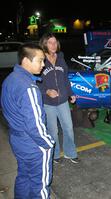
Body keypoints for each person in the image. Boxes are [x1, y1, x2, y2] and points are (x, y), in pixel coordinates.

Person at [1, 43, 55, 198]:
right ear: (26, 61)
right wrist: (48, 144)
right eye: (40, 61)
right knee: (40, 186)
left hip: (17, 139)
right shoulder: (29, 88)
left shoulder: (10, 79)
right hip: (33, 145)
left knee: (24, 176)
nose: (43, 65)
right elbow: (35, 125)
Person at [38, 33, 79, 164]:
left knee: (68, 127)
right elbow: (35, 81)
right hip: (48, 103)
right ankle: (55, 155)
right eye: (50, 42)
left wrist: (71, 93)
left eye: (55, 42)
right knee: (53, 131)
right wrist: (46, 91)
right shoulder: (41, 59)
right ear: (44, 44)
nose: (53, 45)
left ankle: (70, 153)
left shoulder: (60, 57)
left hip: (62, 101)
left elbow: (65, 78)